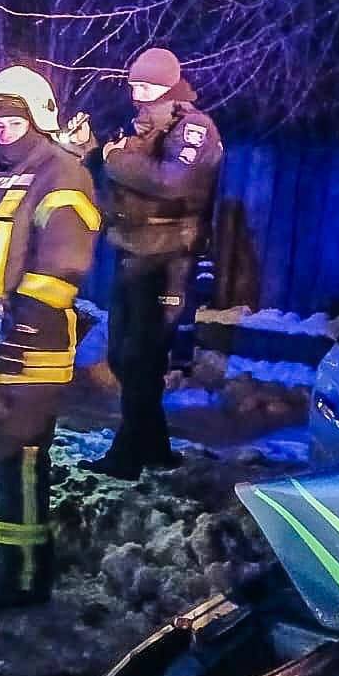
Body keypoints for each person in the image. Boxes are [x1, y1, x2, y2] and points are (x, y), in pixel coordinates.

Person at [0, 65, 100, 606]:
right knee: (1, 450)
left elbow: (64, 262)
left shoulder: (61, 174)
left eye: (13, 120)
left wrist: (26, 323)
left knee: (22, 455)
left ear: (38, 119)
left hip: (28, 342)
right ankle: (11, 555)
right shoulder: (14, 175)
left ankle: (26, 576)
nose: (2, 129)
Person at [83, 48, 223, 481]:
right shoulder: (144, 125)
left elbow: (173, 181)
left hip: (168, 258)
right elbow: (122, 175)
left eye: (146, 86)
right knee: (124, 357)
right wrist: (92, 152)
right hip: (133, 250)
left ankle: (126, 457)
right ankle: (156, 448)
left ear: (167, 84)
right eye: (134, 85)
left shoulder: (194, 127)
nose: (137, 93)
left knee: (141, 358)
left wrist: (114, 158)